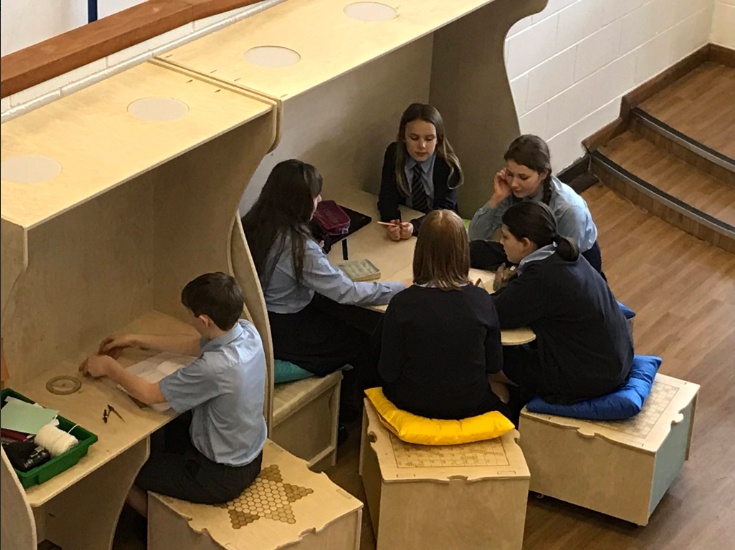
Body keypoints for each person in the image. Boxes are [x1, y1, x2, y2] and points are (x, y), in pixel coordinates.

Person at [80, 272, 266, 511]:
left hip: (219, 475)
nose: (189, 321)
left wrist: (108, 367)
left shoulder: (215, 368)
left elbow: (149, 394)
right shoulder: (247, 332)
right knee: (164, 432)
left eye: (190, 316)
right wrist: (135, 339)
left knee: (120, 469)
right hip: (250, 454)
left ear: (204, 320)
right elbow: (194, 345)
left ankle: (157, 529)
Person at [242, 159, 406, 382]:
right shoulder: (299, 247)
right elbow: (347, 292)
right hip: (283, 329)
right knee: (362, 341)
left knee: (339, 317)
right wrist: (401, 288)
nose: (319, 200)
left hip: (257, 319)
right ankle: (352, 409)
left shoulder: (251, 225)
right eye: (315, 196)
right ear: (299, 202)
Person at [491, 202, 633, 407]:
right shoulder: (563, 255)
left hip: (592, 377)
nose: (501, 242)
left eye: (505, 237)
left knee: (487, 361)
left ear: (526, 244)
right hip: (614, 359)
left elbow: (495, 313)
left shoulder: (542, 277)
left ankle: (509, 415)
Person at [378, 210, 507, 420]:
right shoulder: (482, 300)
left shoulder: (402, 303)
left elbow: (388, 371)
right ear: (463, 251)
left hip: (409, 401)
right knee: (502, 395)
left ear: (420, 250)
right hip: (470, 404)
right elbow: (494, 365)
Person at [468, 134, 604, 277]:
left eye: (523, 177)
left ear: (543, 174)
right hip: (528, 250)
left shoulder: (569, 210)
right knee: (474, 251)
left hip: (571, 261)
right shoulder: (512, 191)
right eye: (510, 174)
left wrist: (519, 274)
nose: (514, 183)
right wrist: (497, 198)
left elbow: (564, 262)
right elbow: (477, 236)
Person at [378, 103, 464, 241]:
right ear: (403, 137)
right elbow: (387, 196)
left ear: (438, 139)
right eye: (414, 138)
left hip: (439, 227)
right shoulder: (393, 154)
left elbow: (444, 210)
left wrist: (415, 226)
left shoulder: (447, 164)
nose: (422, 146)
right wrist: (392, 221)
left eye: (429, 139)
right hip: (407, 219)